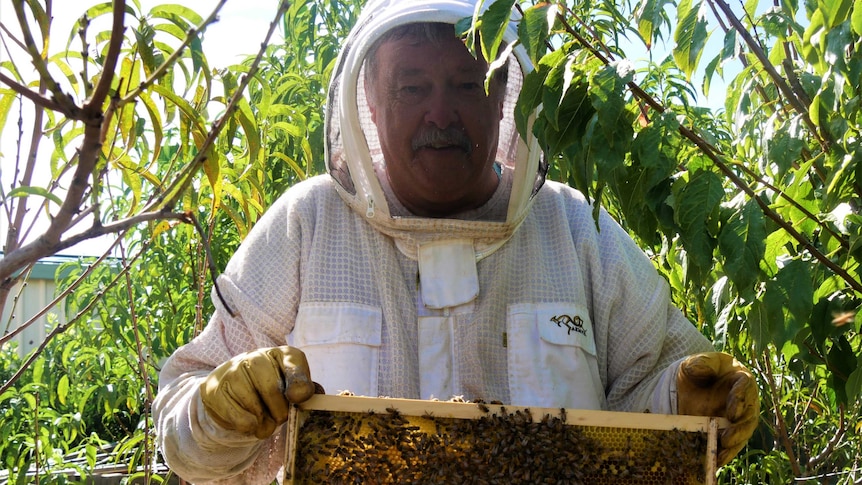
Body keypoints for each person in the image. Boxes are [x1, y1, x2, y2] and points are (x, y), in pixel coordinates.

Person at [153, 0, 759, 483]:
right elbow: (184, 432)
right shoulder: (307, 226)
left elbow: (650, 405)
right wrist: (216, 411)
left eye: (468, 85)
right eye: (412, 88)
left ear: (504, 97)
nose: (440, 115)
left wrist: (684, 403)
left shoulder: (579, 232)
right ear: (370, 98)